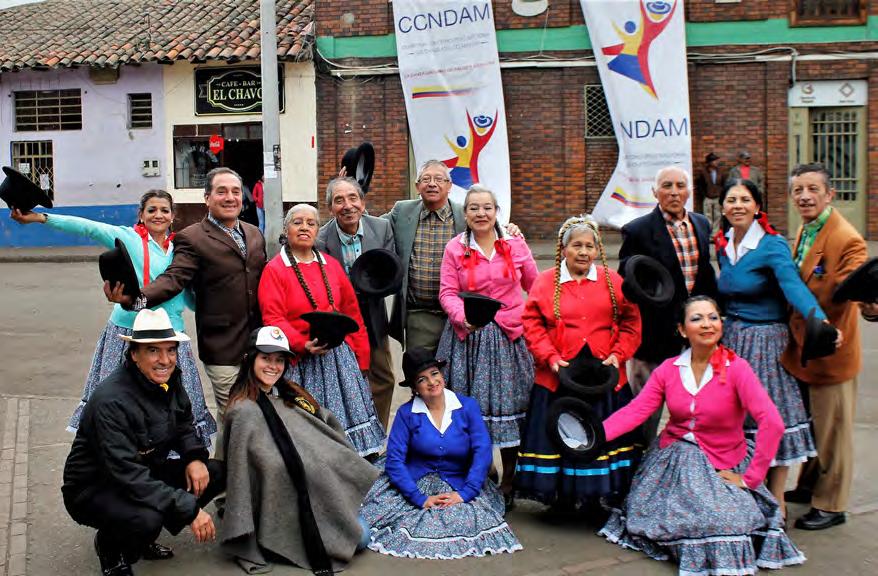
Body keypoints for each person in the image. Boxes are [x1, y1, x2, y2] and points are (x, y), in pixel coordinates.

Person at [599, 296, 805, 575]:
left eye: (713, 317)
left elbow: (773, 422)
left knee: (728, 520)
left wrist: (751, 478)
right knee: (659, 513)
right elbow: (637, 410)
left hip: (723, 459)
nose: (707, 324)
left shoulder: (737, 369)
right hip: (673, 460)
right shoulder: (669, 369)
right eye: (697, 319)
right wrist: (595, 436)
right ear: (682, 330)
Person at [10, 191, 216, 446]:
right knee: (119, 398)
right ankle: (117, 448)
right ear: (141, 215)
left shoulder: (181, 250)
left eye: (164, 210)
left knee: (178, 400)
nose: (158, 215)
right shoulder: (127, 238)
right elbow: (87, 227)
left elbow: (190, 297)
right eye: (151, 210)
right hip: (126, 332)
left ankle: (177, 453)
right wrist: (41, 218)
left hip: (170, 335)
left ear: (173, 216)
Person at [106, 167, 266, 450]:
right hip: (222, 345)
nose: (230, 197)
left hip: (255, 343)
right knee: (236, 415)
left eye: (235, 191)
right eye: (221, 191)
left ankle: (228, 469)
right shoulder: (192, 237)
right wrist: (135, 299)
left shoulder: (254, 233)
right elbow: (174, 278)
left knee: (247, 414)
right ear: (207, 198)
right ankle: (231, 474)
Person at [62, 308, 225, 576]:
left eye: (170, 350)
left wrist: (194, 458)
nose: (165, 360)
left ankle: (140, 538)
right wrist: (189, 510)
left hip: (143, 469)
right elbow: (127, 474)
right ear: (134, 354)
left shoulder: (169, 379)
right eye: (153, 351)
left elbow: (183, 423)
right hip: (95, 486)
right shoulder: (111, 401)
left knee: (214, 472)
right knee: (147, 518)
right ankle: (111, 546)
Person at [221, 326, 379, 574]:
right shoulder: (242, 410)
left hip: (319, 488)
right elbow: (246, 474)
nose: (273, 366)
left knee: (361, 535)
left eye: (279, 360)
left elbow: (322, 426)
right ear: (250, 359)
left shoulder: (290, 393)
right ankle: (279, 536)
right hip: (282, 503)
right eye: (266, 358)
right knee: (361, 538)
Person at [715, 178, 829, 512]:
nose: (738, 206)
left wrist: (819, 320)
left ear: (757, 206)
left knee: (770, 415)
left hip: (766, 341)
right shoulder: (723, 244)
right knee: (737, 418)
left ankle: (777, 499)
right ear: (723, 207)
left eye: (745, 200)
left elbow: (793, 286)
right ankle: (749, 489)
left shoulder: (772, 244)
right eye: (731, 200)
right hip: (732, 340)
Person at [516, 216, 643, 508]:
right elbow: (532, 324)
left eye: (589, 246)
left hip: (603, 378)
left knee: (601, 434)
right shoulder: (546, 282)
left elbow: (631, 322)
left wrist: (618, 354)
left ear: (597, 250)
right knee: (564, 435)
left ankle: (597, 497)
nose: (583, 252)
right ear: (564, 249)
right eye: (577, 245)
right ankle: (562, 497)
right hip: (559, 377)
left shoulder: (613, 281)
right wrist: (550, 357)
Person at [360, 347, 522, 559]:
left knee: (464, 518)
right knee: (391, 518)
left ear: (442, 376)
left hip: (458, 480)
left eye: (434, 373)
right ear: (415, 388)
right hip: (414, 480)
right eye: (422, 379)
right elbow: (395, 461)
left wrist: (465, 493)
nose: (431, 382)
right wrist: (419, 498)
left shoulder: (467, 406)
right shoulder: (406, 413)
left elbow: (482, 452)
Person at [435, 184, 539, 503]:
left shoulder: (515, 244)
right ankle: (485, 472)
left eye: (487, 207)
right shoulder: (455, 248)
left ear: (497, 212)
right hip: (469, 339)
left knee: (510, 409)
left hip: (509, 337)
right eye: (474, 208)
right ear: (465, 214)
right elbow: (447, 292)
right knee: (472, 410)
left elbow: (535, 286)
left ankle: (509, 479)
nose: (481, 213)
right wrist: (462, 317)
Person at [258, 203, 385, 458]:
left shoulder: (331, 265)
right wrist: (301, 344)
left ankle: (352, 465)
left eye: (311, 223)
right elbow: (273, 317)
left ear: (318, 230)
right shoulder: (275, 269)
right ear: (286, 230)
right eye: (297, 222)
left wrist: (361, 358)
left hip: (340, 361)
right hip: (301, 360)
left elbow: (352, 313)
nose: (304, 227)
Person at [781, 163, 868, 530]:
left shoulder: (846, 238)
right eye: (798, 190)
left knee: (834, 432)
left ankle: (832, 505)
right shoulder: (807, 228)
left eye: (813, 189)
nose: (804, 196)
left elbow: (855, 283)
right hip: (805, 349)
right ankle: (809, 485)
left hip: (831, 352)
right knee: (815, 424)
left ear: (829, 194)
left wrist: (870, 302)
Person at [618, 165, 717, 443]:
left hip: (694, 333)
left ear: (689, 192)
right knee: (646, 408)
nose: (674, 192)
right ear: (655, 192)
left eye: (680, 186)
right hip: (654, 336)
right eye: (667, 186)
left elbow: (705, 275)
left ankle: (687, 459)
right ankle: (639, 459)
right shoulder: (637, 231)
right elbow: (628, 281)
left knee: (695, 404)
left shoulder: (701, 224)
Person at [317, 176, 397, 429]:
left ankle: (378, 430)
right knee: (344, 380)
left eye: (353, 198)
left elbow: (390, 272)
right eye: (339, 200)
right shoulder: (321, 240)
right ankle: (347, 435)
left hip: (373, 312)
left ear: (363, 203)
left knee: (383, 377)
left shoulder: (381, 228)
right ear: (331, 208)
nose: (347, 206)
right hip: (339, 316)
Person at [383, 160, 467, 351]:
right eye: (426, 179)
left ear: (449, 186)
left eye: (439, 179)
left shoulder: (464, 215)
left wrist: (510, 230)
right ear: (417, 186)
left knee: (456, 367)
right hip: (418, 314)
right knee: (419, 367)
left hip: (458, 312)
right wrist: (353, 201)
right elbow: (373, 228)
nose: (432, 184)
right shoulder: (402, 211)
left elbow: (489, 229)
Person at [693, 152, 724, 232]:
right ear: (710, 162)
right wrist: (704, 195)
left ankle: (715, 234)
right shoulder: (703, 172)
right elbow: (700, 185)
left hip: (717, 197)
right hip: (707, 198)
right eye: (714, 161)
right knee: (707, 216)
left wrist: (721, 194)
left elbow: (722, 184)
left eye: (716, 160)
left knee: (718, 216)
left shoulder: (720, 171)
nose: (716, 162)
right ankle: (709, 233)